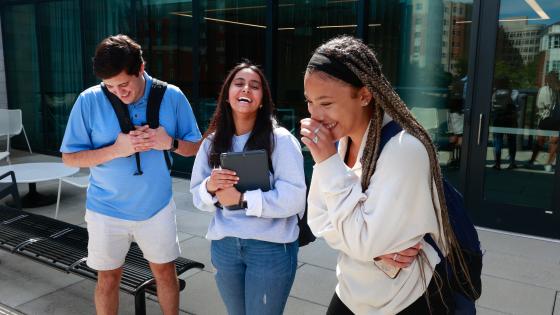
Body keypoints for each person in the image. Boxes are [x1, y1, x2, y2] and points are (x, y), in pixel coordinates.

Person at [300, 36, 473, 314]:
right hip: (351, 289)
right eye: (309, 102)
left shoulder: (405, 150)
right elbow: (318, 219)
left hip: (404, 299)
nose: (315, 115)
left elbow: (360, 240)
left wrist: (328, 163)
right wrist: (370, 251)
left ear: (365, 95)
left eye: (326, 103)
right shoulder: (341, 141)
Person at [60, 34, 201, 315]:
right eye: (110, 87)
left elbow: (196, 147)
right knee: (108, 278)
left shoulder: (171, 96)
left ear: (141, 68)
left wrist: (169, 142)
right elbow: (70, 157)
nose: (119, 92)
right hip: (105, 209)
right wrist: (115, 149)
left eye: (124, 84)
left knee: (165, 273)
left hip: (157, 207)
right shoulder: (88, 100)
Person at [189, 61, 306, 315]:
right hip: (225, 246)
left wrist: (242, 199)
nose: (246, 89)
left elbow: (295, 198)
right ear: (227, 95)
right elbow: (197, 196)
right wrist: (209, 187)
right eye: (239, 83)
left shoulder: (281, 140)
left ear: (263, 100)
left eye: (255, 86)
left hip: (270, 248)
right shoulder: (212, 142)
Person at [528, 71, 559, 172]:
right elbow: (541, 106)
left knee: (553, 142)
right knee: (540, 141)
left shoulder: (554, 90)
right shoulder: (545, 90)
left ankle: (547, 163)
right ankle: (534, 161)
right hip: (546, 117)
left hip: (554, 118)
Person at [490, 77, 519, 170]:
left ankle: (497, 163)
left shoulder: (494, 93)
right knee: (511, 141)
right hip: (510, 119)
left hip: (498, 119)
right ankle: (512, 163)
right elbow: (519, 106)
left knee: (498, 140)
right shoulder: (514, 92)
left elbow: (492, 107)